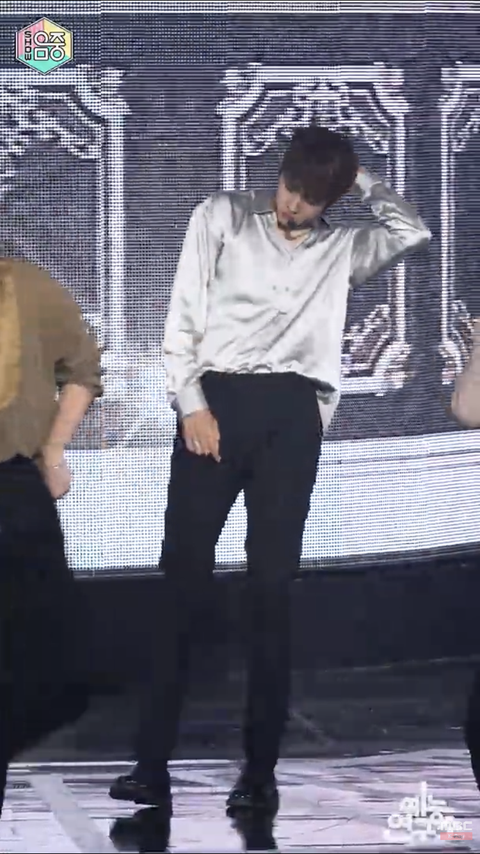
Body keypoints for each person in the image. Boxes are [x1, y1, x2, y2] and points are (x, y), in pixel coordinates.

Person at [110, 126, 431, 815]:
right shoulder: (222, 216)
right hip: (216, 404)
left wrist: (357, 176)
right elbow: (183, 317)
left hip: (291, 415)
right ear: (277, 174)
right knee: (181, 581)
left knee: (271, 590)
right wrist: (191, 403)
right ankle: (149, 765)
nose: (293, 205)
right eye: (290, 187)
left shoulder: (343, 247)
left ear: (331, 200)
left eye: (312, 198)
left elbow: (412, 231)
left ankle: (259, 774)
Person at [0, 254, 102, 816]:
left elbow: (84, 367)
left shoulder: (27, 288)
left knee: (45, 672)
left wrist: (55, 450)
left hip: (12, 492)